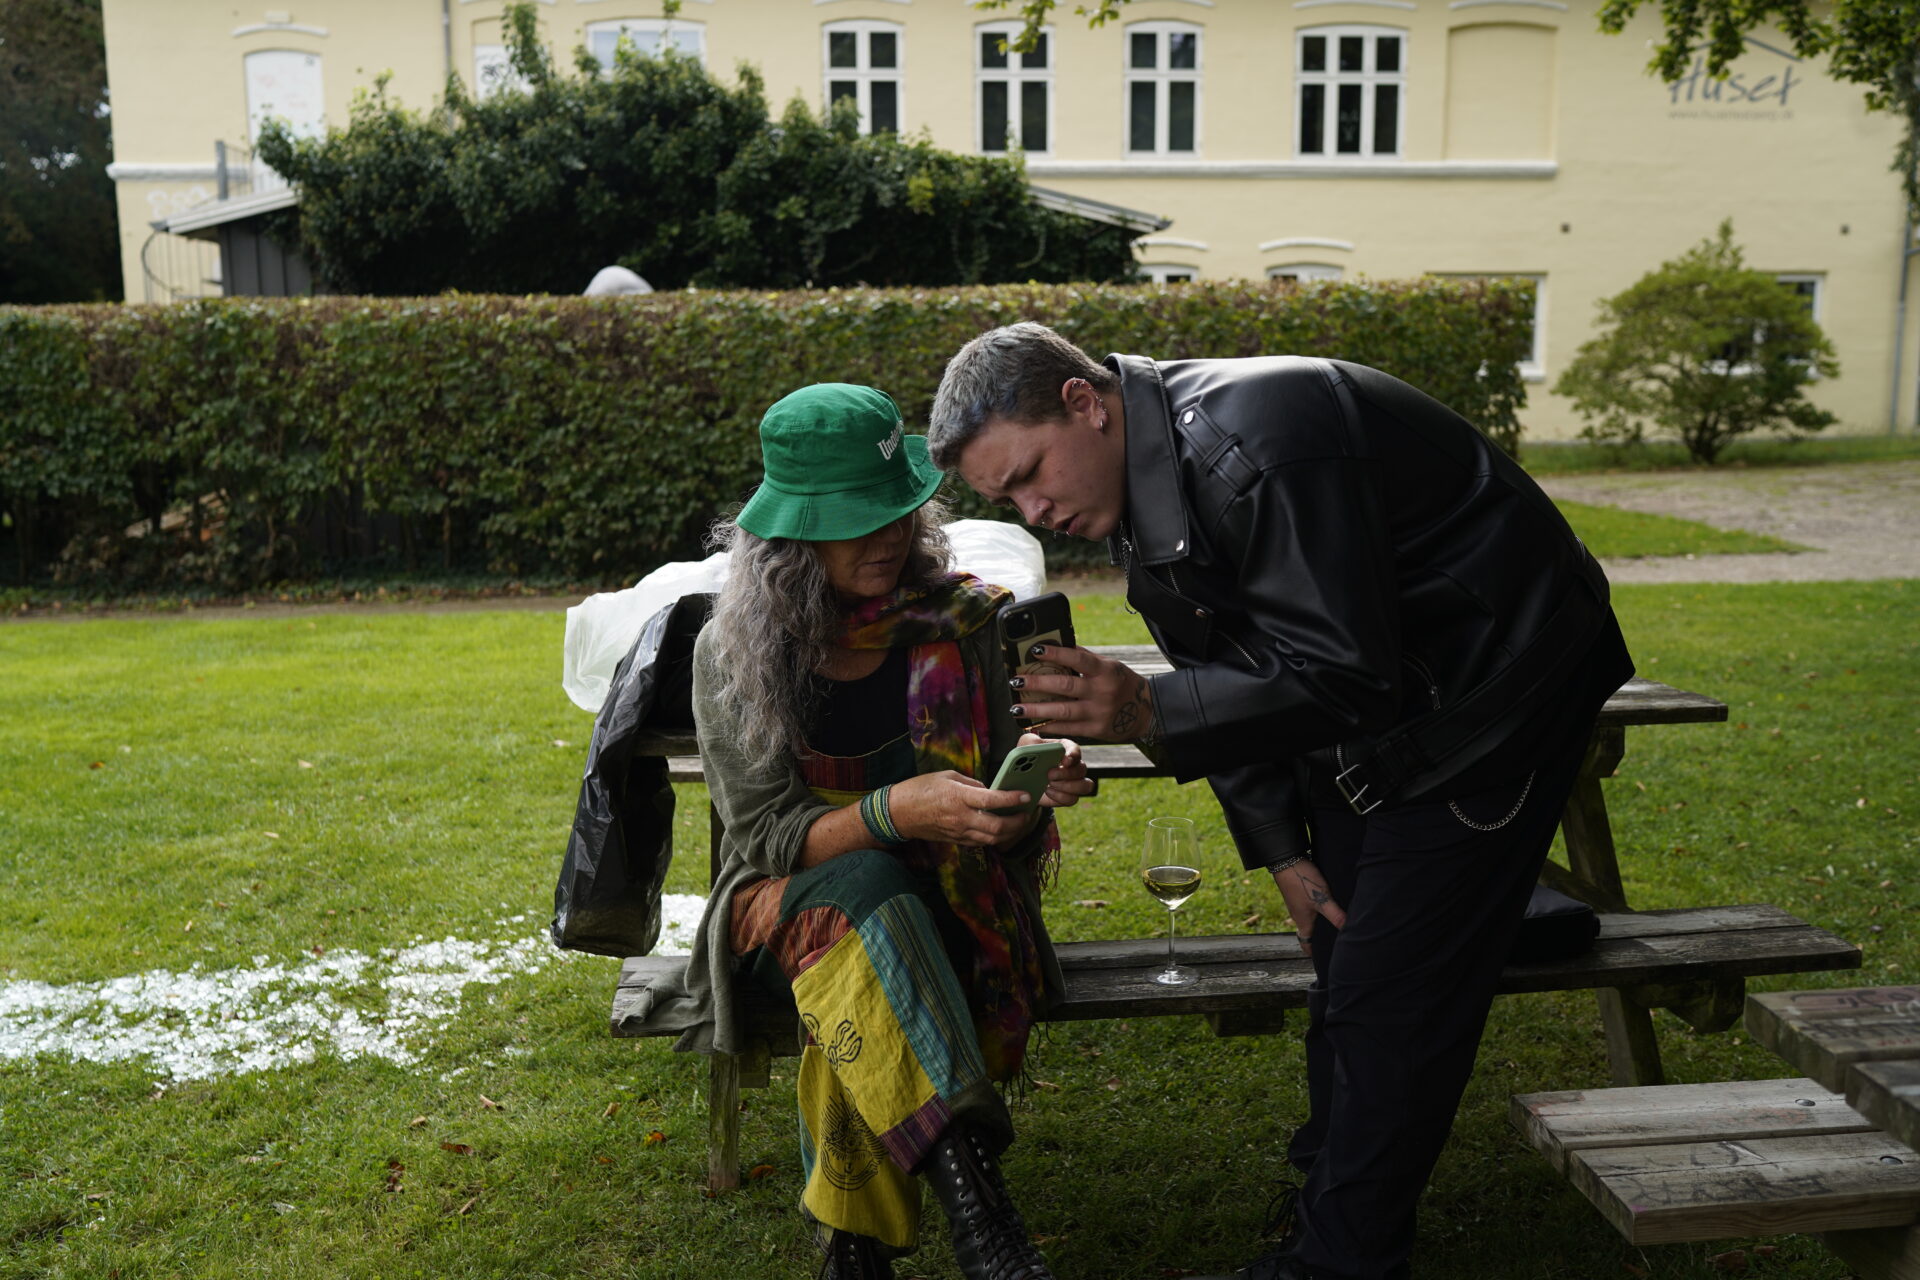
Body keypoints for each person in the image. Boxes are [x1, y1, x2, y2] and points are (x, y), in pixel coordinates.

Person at [928, 323, 1634, 1280]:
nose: (1033, 510)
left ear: (1083, 403)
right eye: (1007, 499)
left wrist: (1144, 709)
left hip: (1500, 684)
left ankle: (1339, 1261)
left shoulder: (1256, 443)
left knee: (1389, 989)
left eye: (1029, 475)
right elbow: (1227, 664)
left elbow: (1344, 674)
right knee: (1348, 945)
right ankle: (1328, 1197)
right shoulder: (1141, 478)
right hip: (1383, 700)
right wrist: (1284, 852)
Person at [681, 383, 1093, 1280]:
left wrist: (1026, 795)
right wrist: (895, 812)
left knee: (867, 952)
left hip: (950, 901)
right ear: (790, 540)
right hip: (778, 908)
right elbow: (768, 840)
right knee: (863, 901)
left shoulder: (966, 624)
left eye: (897, 510)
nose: (887, 536)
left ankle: (855, 1254)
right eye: (854, 521)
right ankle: (983, 1219)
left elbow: (1002, 816)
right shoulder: (734, 650)